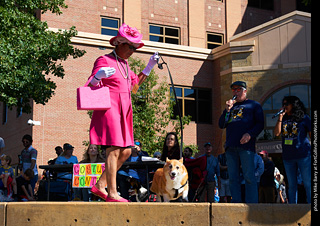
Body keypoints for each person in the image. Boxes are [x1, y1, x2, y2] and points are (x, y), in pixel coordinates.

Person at [89, 23, 159, 202]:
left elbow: (134, 89)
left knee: (126, 152)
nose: (133, 50)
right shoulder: (104, 60)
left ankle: (100, 185)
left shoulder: (126, 65)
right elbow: (90, 85)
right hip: (110, 108)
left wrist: (149, 67)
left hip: (125, 110)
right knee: (113, 150)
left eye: (135, 47)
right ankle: (112, 192)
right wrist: (98, 76)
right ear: (119, 43)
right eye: (130, 46)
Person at [218, 81, 264, 203]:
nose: (235, 92)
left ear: (245, 91)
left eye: (238, 89)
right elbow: (221, 124)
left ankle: (252, 204)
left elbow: (260, 124)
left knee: (249, 176)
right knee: (233, 178)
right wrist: (226, 110)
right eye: (233, 90)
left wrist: (250, 134)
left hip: (246, 147)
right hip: (231, 147)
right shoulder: (231, 107)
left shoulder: (254, 105)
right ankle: (236, 203)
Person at [274, 95, 311, 204]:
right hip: (288, 157)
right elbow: (276, 133)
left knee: (307, 183)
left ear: (294, 105)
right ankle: (292, 208)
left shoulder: (304, 117)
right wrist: (280, 118)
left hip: (303, 155)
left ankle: (310, 206)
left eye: (287, 104)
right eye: (283, 104)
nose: (284, 106)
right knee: (291, 184)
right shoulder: (283, 118)